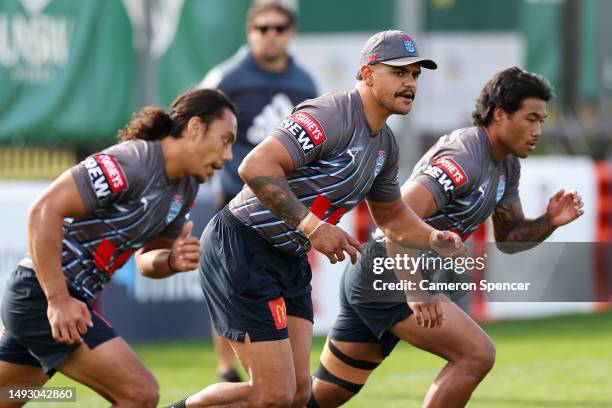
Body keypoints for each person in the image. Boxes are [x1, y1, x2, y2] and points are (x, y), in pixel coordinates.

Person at [167, 30, 465, 408]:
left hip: (288, 258)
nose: (410, 83)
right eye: (399, 72)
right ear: (368, 74)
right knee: (272, 394)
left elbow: (392, 217)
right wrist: (313, 227)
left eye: (415, 75)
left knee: (298, 394)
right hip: (243, 244)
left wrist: (432, 237)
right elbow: (255, 165)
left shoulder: (384, 145)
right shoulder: (333, 114)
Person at [308, 67, 585, 408]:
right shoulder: (464, 155)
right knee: (476, 355)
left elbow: (510, 239)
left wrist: (550, 221)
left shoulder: (507, 165)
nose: (537, 130)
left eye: (541, 120)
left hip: (376, 278)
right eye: (530, 119)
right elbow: (397, 219)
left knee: (320, 396)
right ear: (500, 114)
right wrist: (416, 288)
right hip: (389, 274)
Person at [0, 89, 237, 407]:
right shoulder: (132, 162)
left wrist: (171, 260)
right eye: (225, 140)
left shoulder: (186, 187)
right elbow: (43, 211)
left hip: (61, 300)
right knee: (139, 393)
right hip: (43, 297)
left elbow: (146, 261)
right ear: (195, 127)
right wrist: (57, 299)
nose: (228, 157)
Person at [198, 0, 317, 383]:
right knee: (231, 289)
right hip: (234, 199)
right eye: (262, 28)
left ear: (291, 33)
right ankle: (226, 369)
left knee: (283, 287)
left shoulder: (304, 82)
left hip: (284, 204)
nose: (271, 34)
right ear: (250, 32)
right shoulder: (228, 78)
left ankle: (278, 369)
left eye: (279, 28)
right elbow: (198, 127)